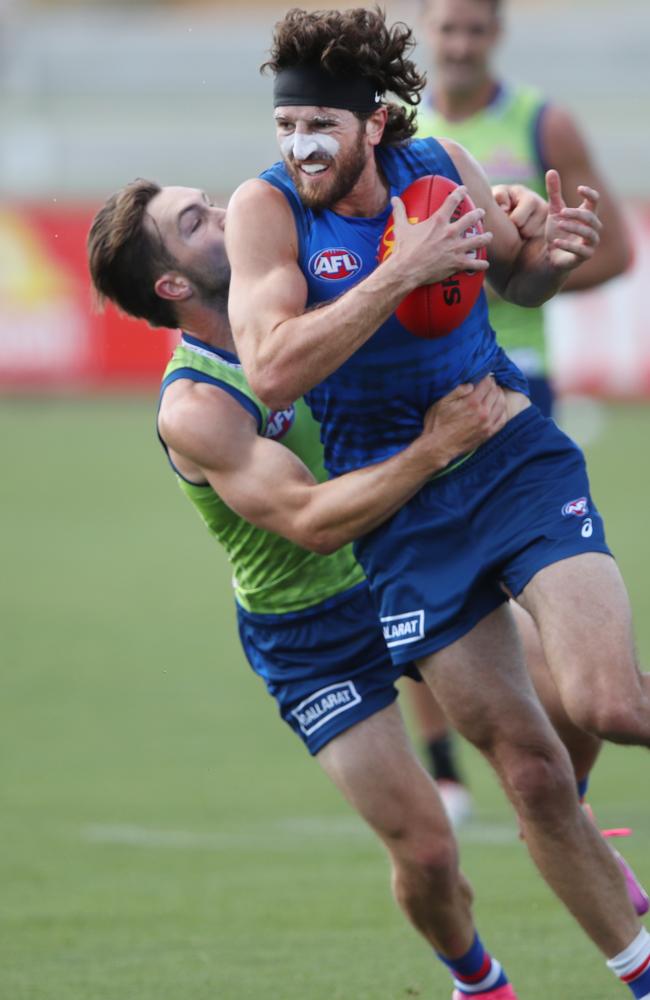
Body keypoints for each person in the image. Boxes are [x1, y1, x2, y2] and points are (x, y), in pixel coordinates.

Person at [224, 7, 650, 997]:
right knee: (533, 775)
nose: (300, 147)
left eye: (320, 126)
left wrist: (546, 254)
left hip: (508, 457)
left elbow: (515, 276)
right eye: (287, 128)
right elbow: (274, 370)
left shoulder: (440, 166)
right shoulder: (267, 209)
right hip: (401, 513)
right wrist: (396, 271)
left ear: (374, 123)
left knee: (605, 701)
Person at [87, 179, 520, 1000]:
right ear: (172, 285)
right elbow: (314, 520)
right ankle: (478, 981)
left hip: (399, 562)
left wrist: (508, 212)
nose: (222, 212)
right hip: (308, 634)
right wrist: (434, 450)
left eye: (207, 199)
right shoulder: (198, 406)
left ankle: (577, 838)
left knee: (580, 698)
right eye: (194, 221)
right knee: (427, 853)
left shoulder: (299, 287)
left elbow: (418, 235)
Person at [408, 0, 633, 823]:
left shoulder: (542, 123)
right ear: (422, 30)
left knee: (531, 591)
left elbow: (614, 251)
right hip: (418, 379)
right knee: (417, 570)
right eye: (447, 28)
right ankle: (446, 771)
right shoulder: (393, 129)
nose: (460, 43)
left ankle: (564, 776)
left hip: (517, 382)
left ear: (496, 35)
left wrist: (523, 267)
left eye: (476, 29)